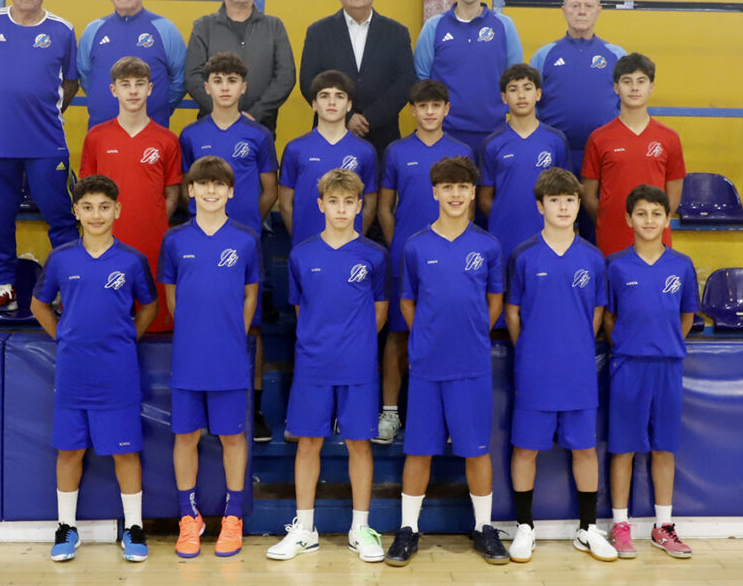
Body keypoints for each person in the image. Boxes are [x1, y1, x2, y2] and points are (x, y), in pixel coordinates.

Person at [385, 156, 506, 567]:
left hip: (471, 364)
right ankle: (408, 529)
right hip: (427, 365)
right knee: (419, 449)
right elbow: (407, 302)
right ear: (435, 192)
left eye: (463, 187)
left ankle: (484, 528)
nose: (455, 194)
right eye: (448, 187)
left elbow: (494, 300)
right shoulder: (416, 246)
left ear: (472, 193)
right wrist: (427, 336)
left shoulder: (487, 246)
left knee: (476, 449)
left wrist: (472, 333)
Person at [30, 175, 158, 563]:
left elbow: (149, 306)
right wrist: (64, 337)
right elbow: (39, 304)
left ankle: (133, 527)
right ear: (76, 212)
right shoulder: (61, 258)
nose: (96, 215)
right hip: (74, 372)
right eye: (87, 207)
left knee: (126, 452)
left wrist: (127, 338)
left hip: (118, 372)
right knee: (70, 450)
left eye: (104, 207)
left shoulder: (132, 260)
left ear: (117, 210)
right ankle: (66, 527)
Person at [266, 169, 388, 563]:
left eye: (348, 202)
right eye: (333, 201)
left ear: (359, 205)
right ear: (321, 205)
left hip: (358, 366)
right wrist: (323, 344)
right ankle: (305, 530)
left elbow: (379, 312)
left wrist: (355, 345)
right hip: (313, 365)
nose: (341, 209)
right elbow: (303, 311)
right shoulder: (302, 255)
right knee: (308, 443)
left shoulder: (374, 255)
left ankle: (360, 528)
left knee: (359, 444)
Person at [504, 167, 616, 563]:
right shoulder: (523, 256)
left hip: (578, 371)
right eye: (555, 200)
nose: (564, 207)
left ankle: (587, 529)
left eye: (570, 200)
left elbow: (597, 312)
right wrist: (531, 349)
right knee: (525, 449)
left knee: (584, 449)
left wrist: (575, 347)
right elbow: (512, 312)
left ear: (578, 204)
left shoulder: (593, 258)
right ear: (541, 206)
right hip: (535, 371)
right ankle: (525, 528)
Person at [159, 156, 259, 559]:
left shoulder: (245, 240)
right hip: (188, 357)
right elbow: (172, 295)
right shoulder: (175, 240)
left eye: (219, 184)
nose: (211, 190)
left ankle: (233, 517)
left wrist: (236, 332)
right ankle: (189, 517)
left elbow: (250, 293)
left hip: (229, 358)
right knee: (185, 436)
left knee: (232, 437)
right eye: (203, 184)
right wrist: (191, 330)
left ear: (231, 191)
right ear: (191, 190)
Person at [0, 0, 80, 314]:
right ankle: (5, 287)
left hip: (46, 143)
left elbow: (71, 83)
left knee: (61, 218)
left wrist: (40, 109)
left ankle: (68, 286)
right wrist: (6, 105)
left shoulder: (63, 30)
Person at [178, 51, 278, 441]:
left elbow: (269, 191)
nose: (224, 88)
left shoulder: (258, 135)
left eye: (232, 81)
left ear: (243, 87)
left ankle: (255, 408)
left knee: (251, 326)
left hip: (244, 245)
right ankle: (202, 402)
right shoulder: (191, 135)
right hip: (201, 243)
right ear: (206, 87)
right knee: (203, 319)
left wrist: (245, 225)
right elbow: (185, 189)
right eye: (218, 81)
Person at [374, 79, 473, 445]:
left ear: (447, 109)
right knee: (399, 334)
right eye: (423, 106)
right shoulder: (397, 151)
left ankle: (447, 416)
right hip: (407, 258)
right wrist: (399, 244)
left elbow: (468, 208)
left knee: (447, 333)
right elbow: (385, 207)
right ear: (413, 110)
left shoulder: (461, 151)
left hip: (450, 262)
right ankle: (390, 413)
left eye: (436, 106)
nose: (430, 112)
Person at [604, 184, 697, 560]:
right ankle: (620, 525)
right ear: (628, 219)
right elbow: (608, 318)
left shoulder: (682, 265)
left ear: (667, 219)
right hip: (628, 365)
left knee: (664, 447)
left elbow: (686, 317)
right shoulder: (616, 265)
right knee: (623, 448)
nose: (649, 220)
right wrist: (631, 343)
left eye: (656, 214)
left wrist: (665, 342)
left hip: (668, 366)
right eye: (641, 213)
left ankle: (664, 525)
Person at [79, 56, 181, 333]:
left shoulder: (167, 140)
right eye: (125, 84)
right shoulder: (96, 137)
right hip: (106, 246)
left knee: (154, 326)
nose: (133, 91)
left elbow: (172, 195)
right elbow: (87, 196)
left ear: (150, 88)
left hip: (153, 246)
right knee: (107, 325)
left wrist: (150, 221)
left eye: (139, 84)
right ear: (114, 90)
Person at [299, 0, 416, 159]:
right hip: (330, 133)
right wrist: (347, 116)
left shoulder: (397, 33)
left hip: (382, 134)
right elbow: (308, 82)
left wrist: (369, 118)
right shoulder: (318, 32)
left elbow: (405, 82)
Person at [414, 0, 523, 158]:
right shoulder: (434, 27)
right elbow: (422, 80)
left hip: (495, 132)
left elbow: (515, 80)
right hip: (445, 133)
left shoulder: (504, 26)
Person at [580, 53, 686, 258]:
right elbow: (589, 196)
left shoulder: (669, 138)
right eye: (627, 81)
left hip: (656, 241)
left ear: (651, 87)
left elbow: (673, 195)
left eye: (641, 81)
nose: (634, 88)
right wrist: (608, 219)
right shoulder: (599, 138)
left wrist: (653, 222)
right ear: (616, 87)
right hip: (612, 240)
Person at [478, 64, 568, 286]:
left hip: (547, 237)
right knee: (506, 297)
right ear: (504, 97)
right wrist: (504, 215)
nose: (521, 95)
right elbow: (485, 197)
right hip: (504, 237)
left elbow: (567, 193)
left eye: (527, 88)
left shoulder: (555, 140)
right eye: (513, 89)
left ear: (538, 94)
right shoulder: (493, 143)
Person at [185, 0, 296, 136]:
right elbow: (193, 77)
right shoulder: (204, 27)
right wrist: (223, 114)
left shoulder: (274, 26)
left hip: (260, 127)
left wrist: (256, 113)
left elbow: (286, 76)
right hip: (213, 127)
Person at [531, 0, 626, 176]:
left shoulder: (616, 55)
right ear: (564, 11)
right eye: (575, 6)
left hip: (605, 153)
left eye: (588, 6)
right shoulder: (544, 55)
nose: (582, 11)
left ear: (598, 11)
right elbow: (530, 104)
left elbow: (627, 104)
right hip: (553, 153)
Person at [77, 0, 187, 129]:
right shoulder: (93, 30)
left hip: (151, 131)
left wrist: (159, 104)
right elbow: (86, 78)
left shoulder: (165, 29)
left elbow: (181, 78)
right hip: (102, 131)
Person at [279, 70, 377, 247]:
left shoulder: (365, 151)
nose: (332, 102)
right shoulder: (295, 149)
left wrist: (353, 237)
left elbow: (370, 205)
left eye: (339, 96)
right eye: (324, 96)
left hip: (350, 248)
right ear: (314, 104)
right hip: (306, 246)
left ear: (349, 105)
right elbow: (285, 204)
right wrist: (302, 239)